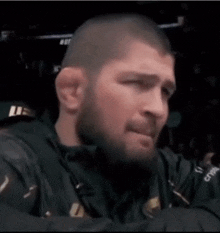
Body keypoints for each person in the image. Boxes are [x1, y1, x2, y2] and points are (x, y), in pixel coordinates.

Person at [1, 13, 220, 232]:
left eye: (165, 91)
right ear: (72, 90)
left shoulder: (167, 172)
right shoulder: (17, 164)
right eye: (138, 83)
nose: (158, 108)